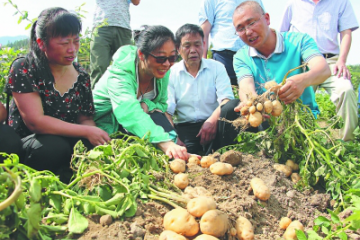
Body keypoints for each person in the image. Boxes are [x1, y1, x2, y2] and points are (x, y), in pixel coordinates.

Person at [6, 7, 110, 178]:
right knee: (54, 146)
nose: (72, 49)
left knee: (90, 144)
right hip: (31, 145)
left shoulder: (81, 76)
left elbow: (85, 119)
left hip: (66, 138)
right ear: (42, 43)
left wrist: (96, 139)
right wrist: (85, 132)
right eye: (64, 43)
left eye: (76, 41)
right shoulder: (25, 68)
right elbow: (35, 122)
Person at [217, 1, 331, 147]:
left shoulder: (299, 41)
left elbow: (323, 69)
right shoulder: (241, 56)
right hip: (265, 120)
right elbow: (246, 85)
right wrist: (250, 101)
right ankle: (229, 155)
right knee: (229, 109)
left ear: (267, 18)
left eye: (251, 23)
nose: (247, 32)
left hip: (297, 119)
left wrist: (303, 80)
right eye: (240, 28)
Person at [92, 25, 191, 160]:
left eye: (173, 58)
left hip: (134, 123)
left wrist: (146, 104)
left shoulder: (162, 71)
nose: (167, 64)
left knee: (159, 118)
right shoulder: (120, 73)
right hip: (105, 123)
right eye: (161, 58)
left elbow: (161, 105)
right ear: (141, 54)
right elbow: (128, 111)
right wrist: (164, 142)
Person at [279, 0, 359, 141]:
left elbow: (346, 32)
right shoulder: (293, 3)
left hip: (331, 62)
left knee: (345, 90)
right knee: (294, 101)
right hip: (301, 64)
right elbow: (282, 35)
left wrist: (342, 60)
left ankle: (347, 143)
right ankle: (297, 143)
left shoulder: (341, 2)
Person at [166, 24, 234, 155]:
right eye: (187, 46)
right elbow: (167, 111)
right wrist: (173, 138)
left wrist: (212, 121)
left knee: (233, 106)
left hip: (215, 123)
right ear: (178, 49)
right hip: (186, 127)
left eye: (197, 44)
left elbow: (227, 100)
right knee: (185, 157)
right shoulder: (171, 73)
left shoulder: (217, 67)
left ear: (204, 44)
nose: (193, 50)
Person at [199, 0, 264, 86]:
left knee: (253, 95)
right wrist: (202, 65)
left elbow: (262, 26)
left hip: (251, 57)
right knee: (225, 96)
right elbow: (203, 33)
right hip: (223, 58)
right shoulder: (211, 1)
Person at [90, 0, 141, 88]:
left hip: (123, 27)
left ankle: (124, 99)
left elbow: (136, 2)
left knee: (126, 68)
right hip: (101, 26)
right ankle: (96, 100)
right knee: (99, 67)